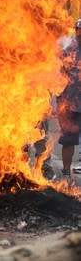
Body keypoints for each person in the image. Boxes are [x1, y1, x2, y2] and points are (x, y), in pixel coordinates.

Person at [56, 18, 81, 185]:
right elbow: (57, 72)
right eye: (79, 30)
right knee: (68, 140)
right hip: (69, 103)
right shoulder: (67, 48)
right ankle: (65, 172)